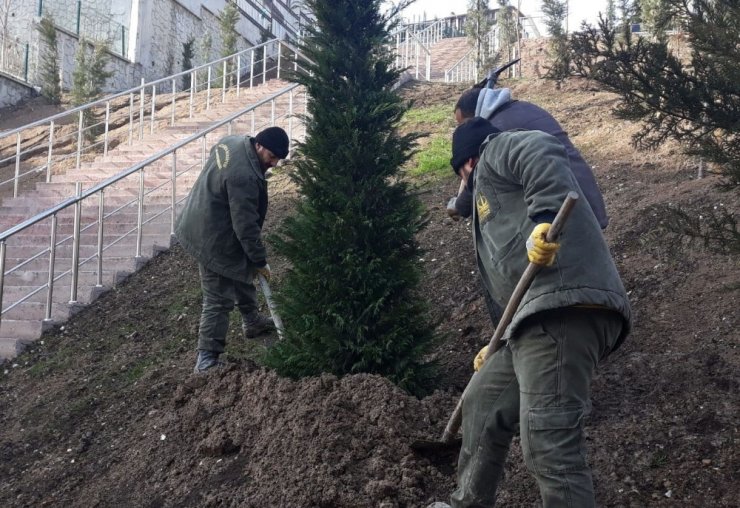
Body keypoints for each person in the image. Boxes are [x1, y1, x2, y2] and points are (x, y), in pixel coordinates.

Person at [431, 117, 631, 508]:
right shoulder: (492, 205)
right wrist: (498, 341)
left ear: (465, 164)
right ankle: (467, 502)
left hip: (562, 307)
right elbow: (510, 277)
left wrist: (544, 219)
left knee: (547, 441)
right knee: (482, 404)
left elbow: (538, 147)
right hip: (528, 322)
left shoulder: (495, 151)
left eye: (460, 175)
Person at [175, 126, 290, 373]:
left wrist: (252, 261)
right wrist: (260, 260)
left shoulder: (234, 141)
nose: (274, 164)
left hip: (204, 215)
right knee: (218, 298)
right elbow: (246, 227)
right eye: (272, 157)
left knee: (241, 267)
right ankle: (206, 361)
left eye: (278, 159)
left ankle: (252, 321)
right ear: (259, 146)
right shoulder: (244, 177)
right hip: (211, 237)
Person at [448, 86, 609, 231]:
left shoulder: (498, 132)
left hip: (561, 208)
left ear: (476, 115)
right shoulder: (524, 108)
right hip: (584, 194)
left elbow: (481, 179)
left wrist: (458, 206)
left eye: (463, 124)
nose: (464, 131)